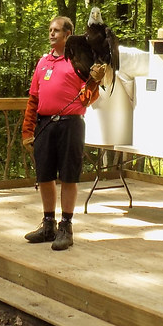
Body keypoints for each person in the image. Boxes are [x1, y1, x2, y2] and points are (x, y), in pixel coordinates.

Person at [21, 16, 105, 251]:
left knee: (69, 176)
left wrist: (94, 82)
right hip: (45, 124)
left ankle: (65, 227)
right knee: (44, 176)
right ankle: (48, 225)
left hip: (71, 124)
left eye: (56, 30)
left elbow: (88, 98)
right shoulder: (43, 62)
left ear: (68, 35)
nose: (51, 34)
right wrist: (28, 130)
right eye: (50, 30)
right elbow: (33, 98)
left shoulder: (79, 61)